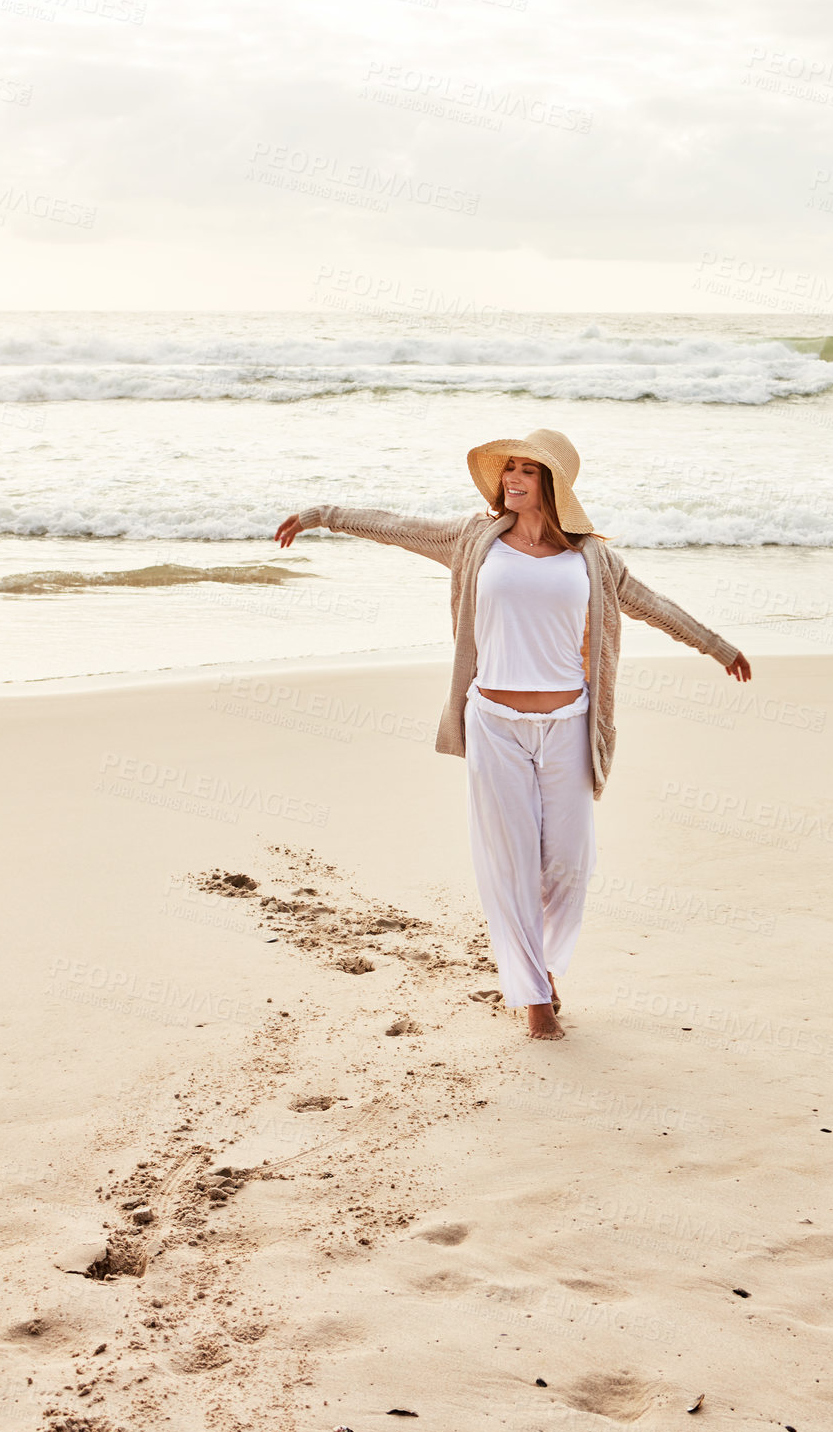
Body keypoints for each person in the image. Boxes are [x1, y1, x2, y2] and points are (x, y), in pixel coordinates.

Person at [275, 427, 750, 1042]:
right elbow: (396, 526)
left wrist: (717, 646)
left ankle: (544, 965)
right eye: (510, 469)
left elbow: (654, 605)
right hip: (494, 725)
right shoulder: (476, 540)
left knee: (569, 866)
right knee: (511, 862)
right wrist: (323, 515)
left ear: (553, 483)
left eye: (528, 470)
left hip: (569, 726)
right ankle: (534, 998)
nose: (513, 479)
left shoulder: (593, 560)